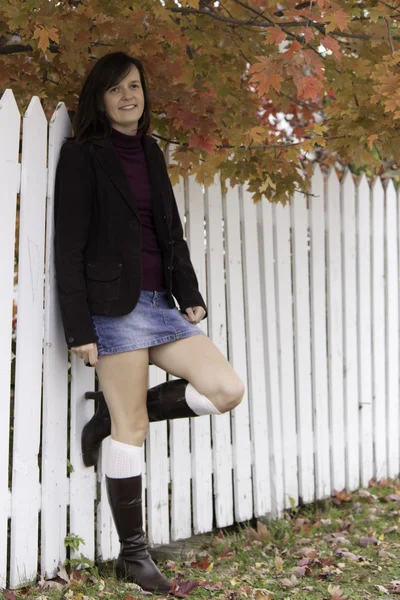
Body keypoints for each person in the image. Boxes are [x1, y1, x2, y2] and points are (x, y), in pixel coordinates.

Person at [54, 51, 245, 594]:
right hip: (112, 310)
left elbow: (171, 230)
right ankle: (133, 556)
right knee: (131, 430)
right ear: (101, 98)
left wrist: (189, 293)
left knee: (226, 390)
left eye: (134, 86)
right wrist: (80, 330)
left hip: (161, 305)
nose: (128, 96)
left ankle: (105, 421)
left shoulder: (151, 150)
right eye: (116, 89)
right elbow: (67, 248)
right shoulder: (83, 155)